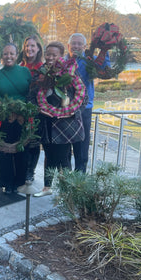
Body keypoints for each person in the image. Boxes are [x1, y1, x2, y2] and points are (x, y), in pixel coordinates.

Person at [32, 41, 87, 197]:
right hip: (46, 121)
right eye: (48, 54)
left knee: (64, 157)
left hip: (65, 123)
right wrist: (39, 109)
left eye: (54, 55)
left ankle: (67, 189)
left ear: (61, 56)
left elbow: (83, 96)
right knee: (49, 155)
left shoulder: (71, 73)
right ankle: (47, 188)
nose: (50, 57)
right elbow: (33, 95)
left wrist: (73, 112)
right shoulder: (41, 73)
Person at [0, 43, 32, 193]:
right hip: (5, 117)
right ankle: (7, 184)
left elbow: (30, 94)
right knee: (5, 151)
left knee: (22, 150)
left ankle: (19, 182)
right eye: (5, 54)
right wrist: (6, 112)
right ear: (1, 56)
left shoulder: (25, 71)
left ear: (16, 55)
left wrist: (23, 112)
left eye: (11, 54)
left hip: (23, 116)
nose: (8, 56)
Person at [67, 33, 110, 172]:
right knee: (65, 143)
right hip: (64, 108)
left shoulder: (90, 61)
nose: (76, 46)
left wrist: (105, 49)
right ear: (68, 46)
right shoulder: (62, 61)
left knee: (82, 143)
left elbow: (105, 68)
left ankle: (80, 177)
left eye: (79, 44)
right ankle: (65, 177)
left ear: (85, 47)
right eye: (74, 43)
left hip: (84, 107)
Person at [19, 35, 44, 184]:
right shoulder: (20, 67)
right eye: (27, 46)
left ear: (38, 48)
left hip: (37, 111)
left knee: (33, 142)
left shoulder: (43, 68)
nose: (29, 48)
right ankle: (21, 170)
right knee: (21, 140)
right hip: (20, 110)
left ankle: (30, 172)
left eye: (33, 46)